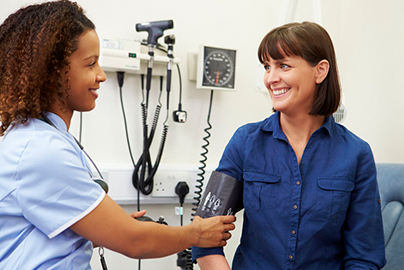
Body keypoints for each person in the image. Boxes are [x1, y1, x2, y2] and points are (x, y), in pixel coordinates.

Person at [0, 1, 235, 269]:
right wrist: (196, 234)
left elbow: (48, 229)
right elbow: (134, 242)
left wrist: (103, 225)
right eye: (90, 64)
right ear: (52, 73)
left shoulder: (42, 136)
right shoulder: (40, 148)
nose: (101, 75)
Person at [192, 21, 386, 269]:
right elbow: (203, 234)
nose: (271, 79)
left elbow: (364, 257)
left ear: (320, 71)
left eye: (283, 65)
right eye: (267, 67)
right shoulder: (245, 142)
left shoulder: (356, 154)